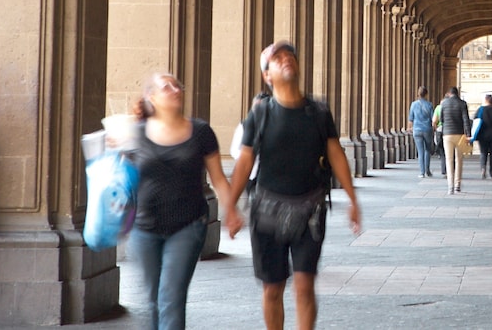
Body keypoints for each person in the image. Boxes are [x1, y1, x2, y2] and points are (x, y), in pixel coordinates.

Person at [226, 41, 362, 330]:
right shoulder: (259, 115)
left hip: (309, 211)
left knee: (304, 285)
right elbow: (245, 162)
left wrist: (353, 200)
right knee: (272, 289)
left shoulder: (319, 113)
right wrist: (231, 206)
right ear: (267, 75)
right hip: (266, 213)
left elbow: (336, 154)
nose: (286, 59)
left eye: (290, 56)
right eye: (277, 58)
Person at [127, 72, 241, 330]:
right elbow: (119, 179)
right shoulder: (135, 134)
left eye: (177, 85)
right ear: (151, 97)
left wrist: (231, 210)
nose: (175, 89)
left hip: (188, 226)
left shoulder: (200, 132)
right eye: (166, 86)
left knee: (171, 298)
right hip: (144, 228)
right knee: (152, 301)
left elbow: (218, 178)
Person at [433, 86, 470, 194]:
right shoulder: (462, 103)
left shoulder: (444, 104)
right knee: (459, 160)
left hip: (447, 134)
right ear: (457, 93)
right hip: (459, 134)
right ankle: (458, 185)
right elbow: (466, 120)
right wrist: (468, 135)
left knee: (449, 160)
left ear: (449, 93)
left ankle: (450, 187)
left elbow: (442, 119)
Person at [407, 86, 435, 178]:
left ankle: (422, 172)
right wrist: (434, 128)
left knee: (420, 151)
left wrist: (409, 128)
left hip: (417, 130)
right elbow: (433, 119)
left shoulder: (413, 104)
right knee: (427, 150)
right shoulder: (429, 105)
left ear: (418, 94)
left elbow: (411, 118)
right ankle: (427, 170)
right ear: (426, 94)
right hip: (427, 129)